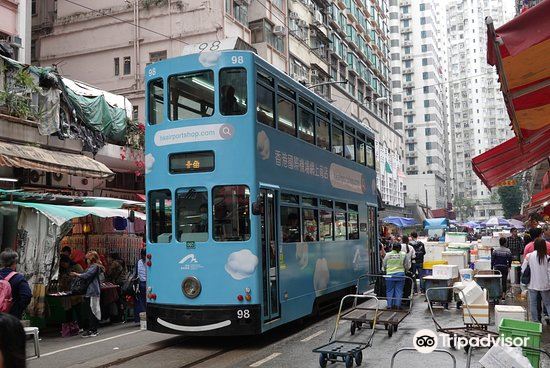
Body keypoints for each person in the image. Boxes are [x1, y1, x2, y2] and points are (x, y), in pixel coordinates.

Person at [71, 251, 104, 337]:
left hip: (92, 291)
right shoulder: (94, 266)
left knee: (93, 311)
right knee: (91, 311)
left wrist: (76, 274)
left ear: (91, 259)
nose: (86, 261)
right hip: (91, 291)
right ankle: (92, 329)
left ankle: (93, 330)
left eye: (87, 259)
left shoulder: (95, 267)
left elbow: (86, 275)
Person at [521, 238, 550, 323]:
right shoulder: (547, 258)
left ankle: (535, 321)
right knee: (548, 304)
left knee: (533, 304)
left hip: (532, 284)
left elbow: (523, 269)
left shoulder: (529, 256)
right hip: (545, 285)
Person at [0, 250, 31, 319]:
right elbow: (27, 296)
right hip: (11, 317)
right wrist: (17, 309)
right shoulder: (19, 278)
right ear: (14, 263)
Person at [382, 243, 407, 309]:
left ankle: (389, 305)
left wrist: (385, 270)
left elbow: (384, 264)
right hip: (400, 274)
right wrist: (405, 271)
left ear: (392, 247)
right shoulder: (403, 254)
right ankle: (398, 305)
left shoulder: (388, 254)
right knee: (399, 290)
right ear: (400, 248)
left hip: (389, 275)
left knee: (389, 290)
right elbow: (406, 265)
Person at [134, 248, 147, 324]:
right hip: (144, 283)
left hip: (141, 283)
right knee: (144, 301)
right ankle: (144, 317)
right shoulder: (151, 261)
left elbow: (135, 273)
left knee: (141, 301)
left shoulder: (138, 262)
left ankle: (141, 319)